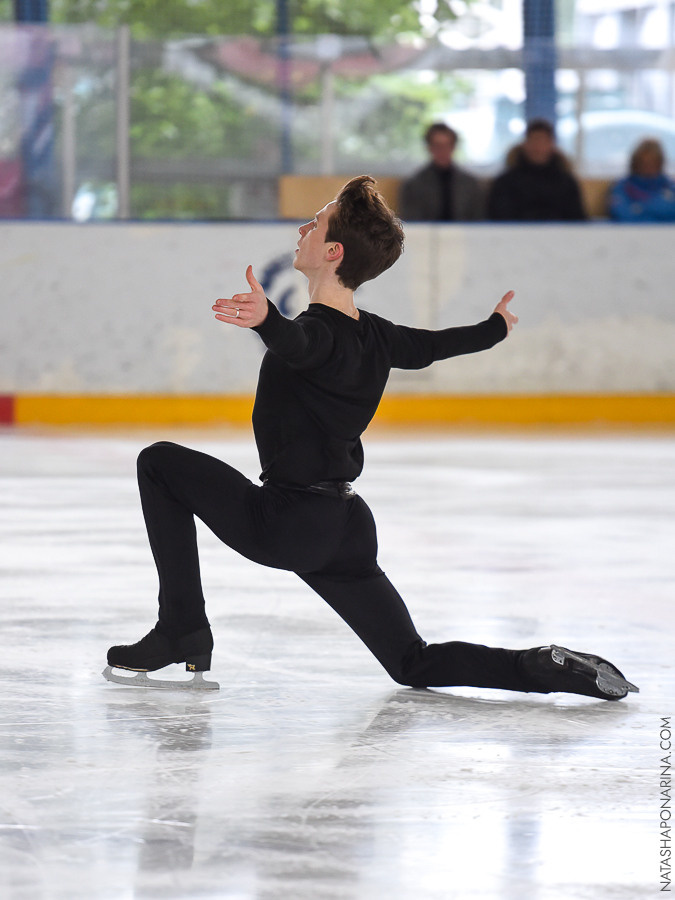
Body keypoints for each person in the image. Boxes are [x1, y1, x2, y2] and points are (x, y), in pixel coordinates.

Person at [105, 175, 638, 702]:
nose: (303, 228)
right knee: (411, 661)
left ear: (332, 251)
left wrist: (268, 320)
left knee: (159, 463)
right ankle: (537, 666)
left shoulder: (317, 333)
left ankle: (181, 628)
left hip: (288, 522)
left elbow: (299, 344)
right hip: (344, 528)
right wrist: (494, 327)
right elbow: (433, 346)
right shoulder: (378, 336)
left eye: (314, 224)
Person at [487, 118, 587, 222]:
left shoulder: (566, 183)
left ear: (552, 145)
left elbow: (578, 220)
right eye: (534, 141)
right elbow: (499, 218)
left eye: (543, 142)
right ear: (525, 144)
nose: (538, 148)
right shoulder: (505, 183)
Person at [398, 123, 485, 221]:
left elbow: (478, 220)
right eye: (437, 146)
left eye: (447, 145)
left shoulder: (470, 184)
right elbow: (412, 221)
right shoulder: (414, 184)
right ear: (429, 148)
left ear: (453, 147)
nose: (443, 150)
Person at [608, 138, 675, 222]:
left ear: (660, 163)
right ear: (635, 163)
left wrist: (639, 208)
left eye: (652, 163)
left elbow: (672, 212)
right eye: (643, 163)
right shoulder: (621, 187)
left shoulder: (671, 188)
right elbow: (622, 215)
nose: (647, 168)